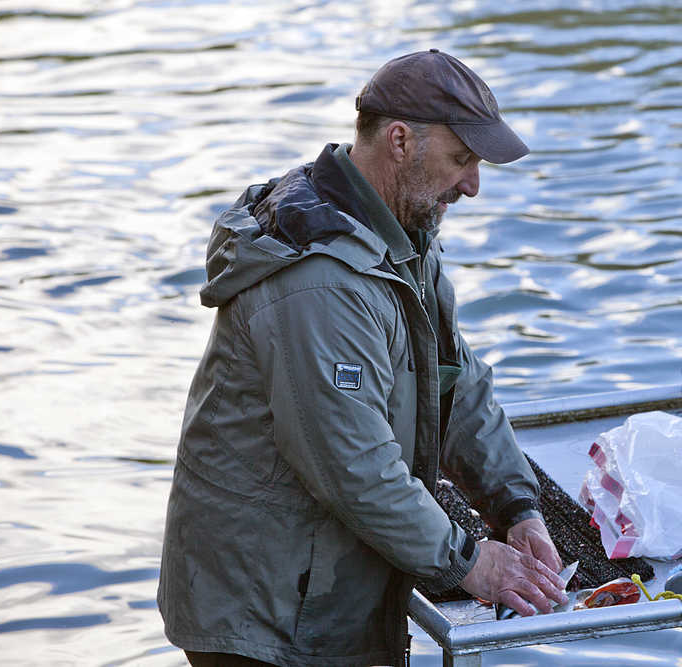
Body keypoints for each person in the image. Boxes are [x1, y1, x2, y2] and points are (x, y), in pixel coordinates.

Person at [157, 49, 569, 667]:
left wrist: (516, 508)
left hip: (326, 592)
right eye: (462, 159)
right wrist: (470, 561)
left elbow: (456, 383)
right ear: (401, 141)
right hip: (265, 618)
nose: (473, 185)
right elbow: (353, 465)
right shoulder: (317, 278)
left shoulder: (402, 236)